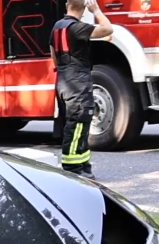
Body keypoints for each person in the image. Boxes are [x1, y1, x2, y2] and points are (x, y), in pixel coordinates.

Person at [49, 0, 112, 180]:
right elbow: (108, 29)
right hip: (78, 82)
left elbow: (53, 53)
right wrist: (97, 10)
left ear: (67, 4)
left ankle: (84, 166)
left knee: (77, 124)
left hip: (63, 79)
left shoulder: (56, 27)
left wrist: (63, 70)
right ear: (84, 8)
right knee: (78, 125)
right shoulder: (78, 28)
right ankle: (72, 169)